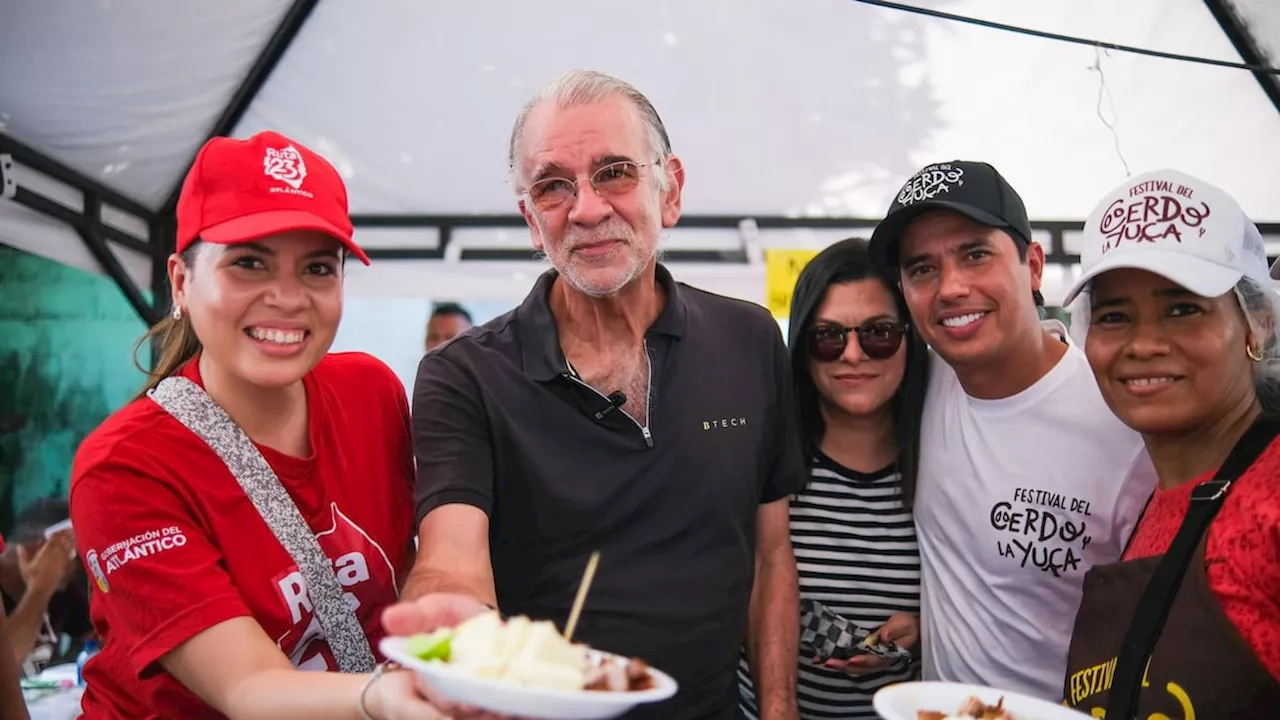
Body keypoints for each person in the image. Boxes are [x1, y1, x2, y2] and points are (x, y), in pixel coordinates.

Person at [383, 70, 806, 720]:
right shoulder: (464, 375)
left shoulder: (749, 339)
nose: (585, 208)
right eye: (554, 185)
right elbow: (451, 557)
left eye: (615, 172)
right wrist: (450, 623)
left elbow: (771, 555)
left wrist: (779, 713)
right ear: (531, 220)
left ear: (671, 190)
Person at [68, 131, 444, 719]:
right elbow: (248, 689)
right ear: (181, 282)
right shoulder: (123, 466)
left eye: (318, 268)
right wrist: (391, 696)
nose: (288, 298)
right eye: (249, 263)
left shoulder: (373, 391)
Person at [866, 160, 1156, 700]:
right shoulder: (916, 383)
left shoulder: (1124, 422)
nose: (950, 287)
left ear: (1033, 265)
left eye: (975, 254)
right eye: (922, 268)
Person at [1059, 169, 1280, 717]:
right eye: (1114, 316)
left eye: (1183, 308)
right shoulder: (1159, 499)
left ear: (1257, 324)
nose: (1144, 344)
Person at [737, 238, 928, 719]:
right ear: (802, 347)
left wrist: (923, 630)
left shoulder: (945, 456)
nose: (854, 354)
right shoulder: (762, 456)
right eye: (828, 336)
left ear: (910, 338)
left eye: (879, 333)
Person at [0, 498, 92, 675]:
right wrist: (41, 587)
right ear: (45, 547)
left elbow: (98, 636)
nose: (78, 569)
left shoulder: (62, 589)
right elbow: (6, 663)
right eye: (75, 558)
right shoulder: (50, 581)